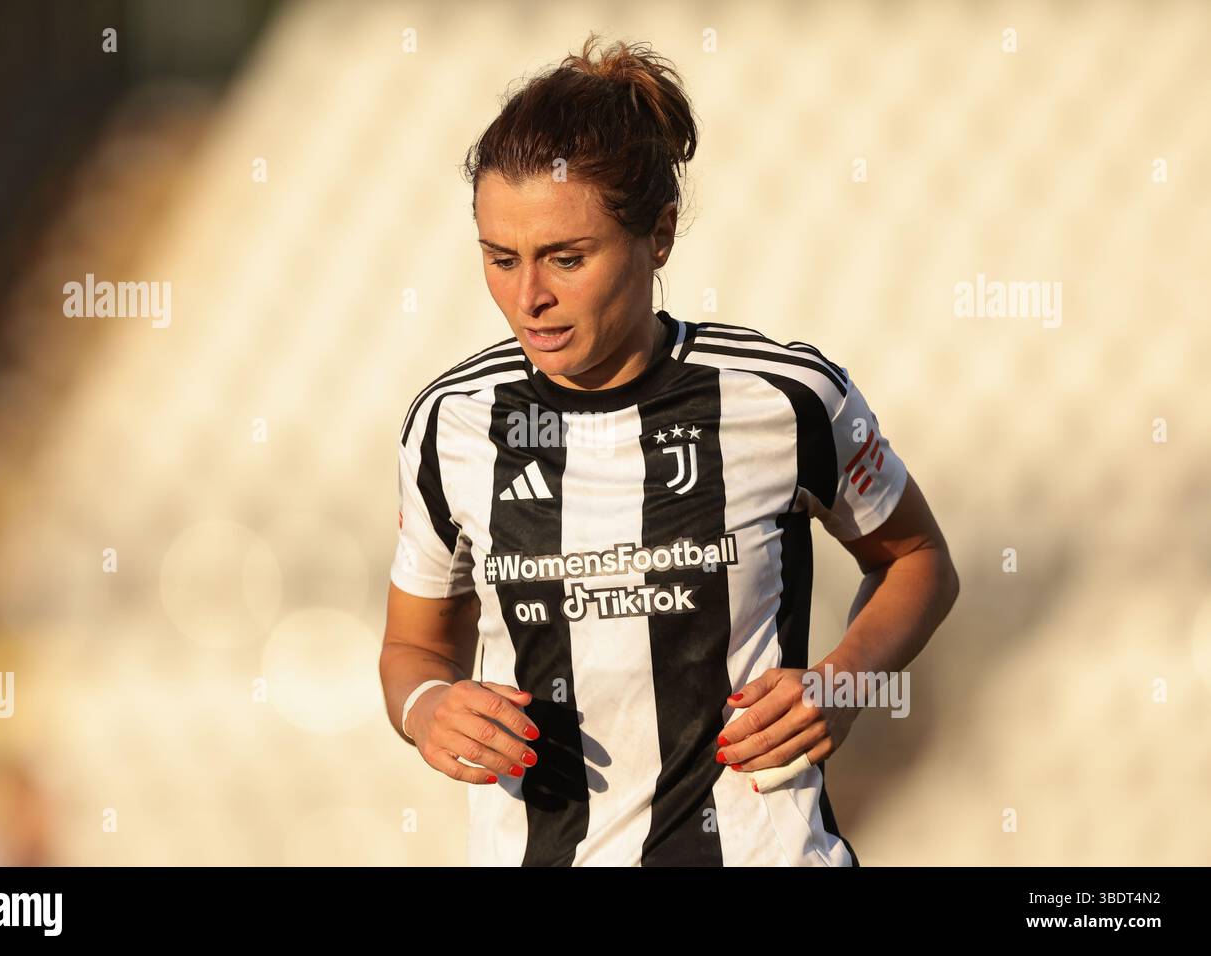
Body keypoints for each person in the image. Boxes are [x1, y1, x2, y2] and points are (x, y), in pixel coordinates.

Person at [379, 33, 959, 866]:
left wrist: (848, 680)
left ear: (659, 235)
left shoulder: (784, 397)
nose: (529, 296)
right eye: (500, 259)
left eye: (566, 258)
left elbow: (918, 559)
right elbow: (412, 649)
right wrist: (429, 707)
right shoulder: (452, 422)